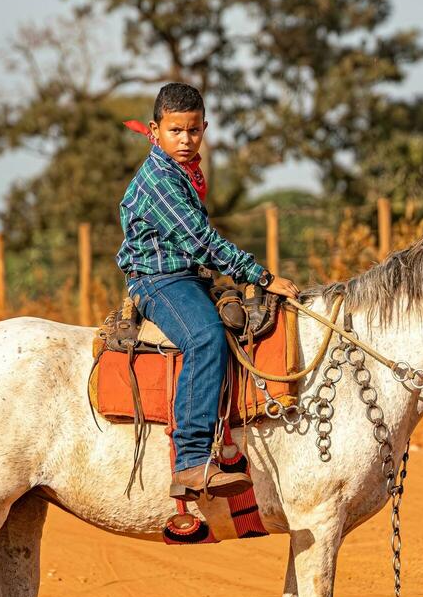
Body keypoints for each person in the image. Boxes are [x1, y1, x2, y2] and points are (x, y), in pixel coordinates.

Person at [117, 82, 300, 499]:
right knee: (205, 338)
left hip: (188, 277)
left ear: (205, 128)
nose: (185, 140)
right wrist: (260, 276)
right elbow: (201, 242)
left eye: (194, 131)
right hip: (158, 282)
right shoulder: (159, 180)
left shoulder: (182, 172)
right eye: (176, 131)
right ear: (154, 130)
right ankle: (192, 460)